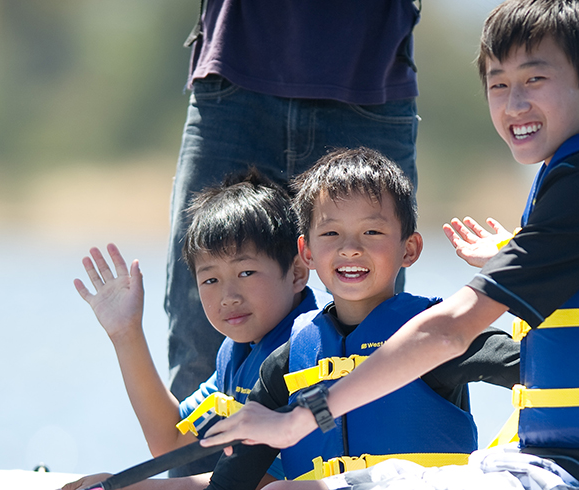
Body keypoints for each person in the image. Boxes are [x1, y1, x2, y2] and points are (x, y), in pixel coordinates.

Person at [201, 2, 579, 490]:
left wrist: (301, 420)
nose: (515, 104)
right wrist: (513, 253)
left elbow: (448, 332)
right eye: (499, 84)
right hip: (561, 464)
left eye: (535, 79)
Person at [164, 6, 423, 477]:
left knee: (375, 336)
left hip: (369, 72)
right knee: (201, 339)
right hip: (233, 69)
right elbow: (169, 438)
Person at [202, 148, 520, 490]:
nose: (350, 248)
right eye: (330, 234)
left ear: (409, 249)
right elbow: (230, 483)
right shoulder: (285, 365)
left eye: (372, 233)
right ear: (307, 252)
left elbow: (540, 366)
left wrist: (519, 270)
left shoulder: (438, 336)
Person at [66, 171, 321, 490]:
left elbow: (260, 482)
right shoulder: (237, 355)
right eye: (210, 280)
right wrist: (126, 333)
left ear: (297, 272)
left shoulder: (315, 347)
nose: (229, 297)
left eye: (246, 272)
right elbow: (171, 439)